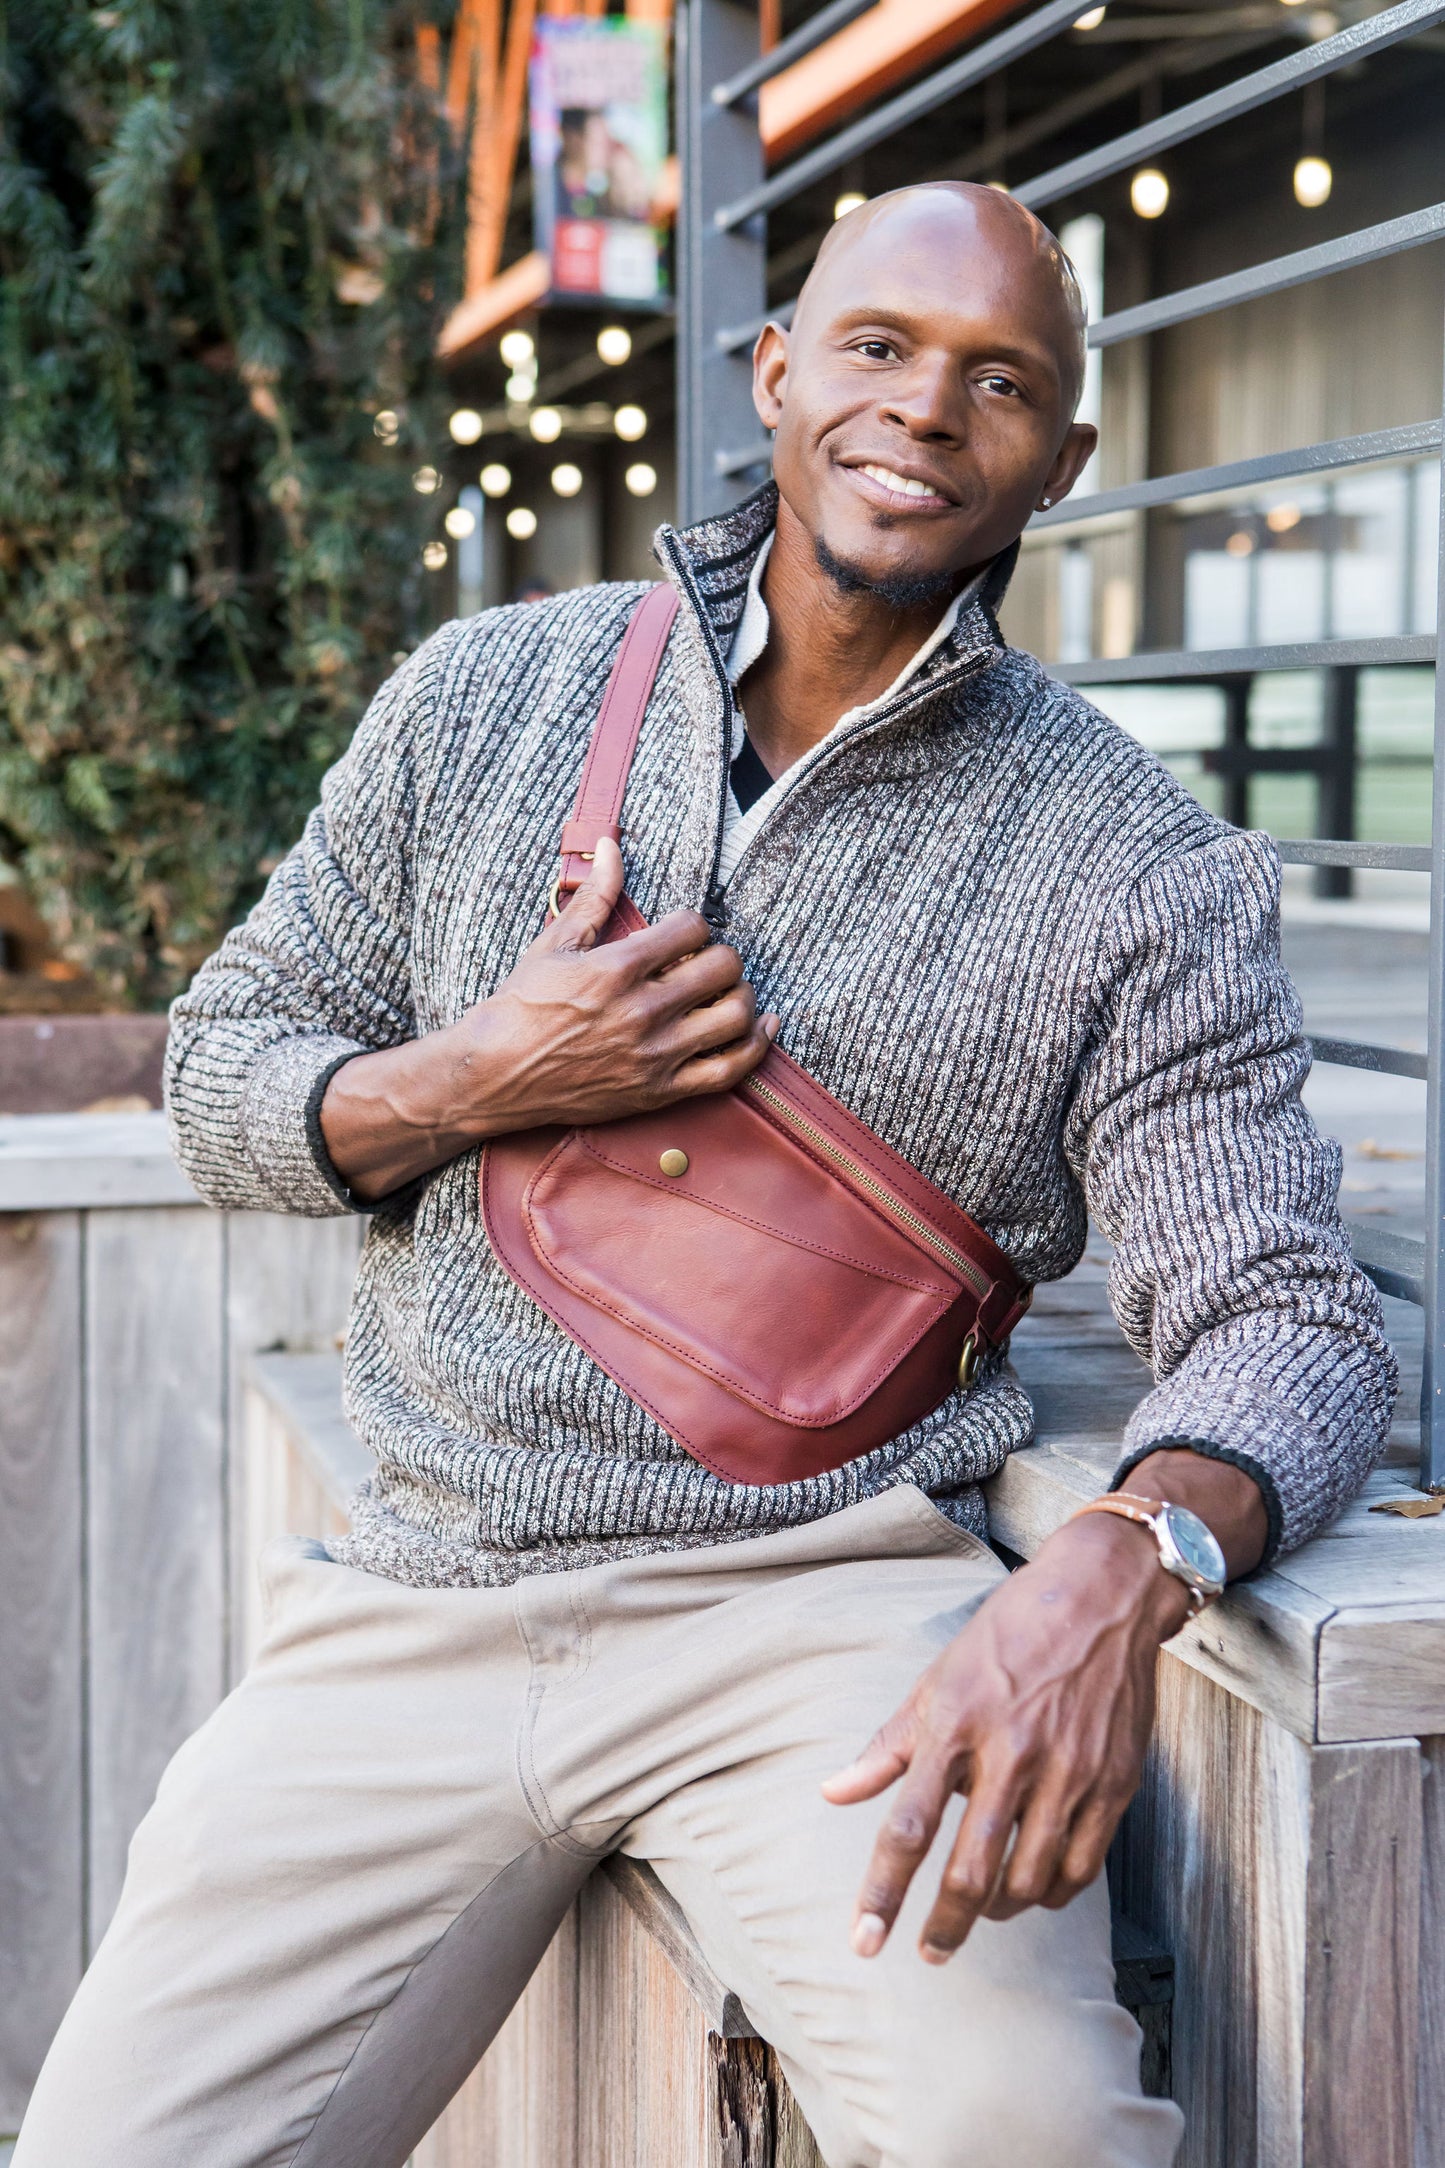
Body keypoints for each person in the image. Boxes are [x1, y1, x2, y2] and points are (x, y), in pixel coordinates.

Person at [15, 183, 1394, 2168]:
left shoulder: (1137, 863)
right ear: (777, 371)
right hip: (416, 1586)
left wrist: (1133, 1553)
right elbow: (225, 1082)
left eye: (999, 382)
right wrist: (484, 1071)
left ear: (1064, 460)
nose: (927, 409)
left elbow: (1286, 1317)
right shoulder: (487, 697)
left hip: (815, 1614)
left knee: (1037, 2136)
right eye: (880, 347)